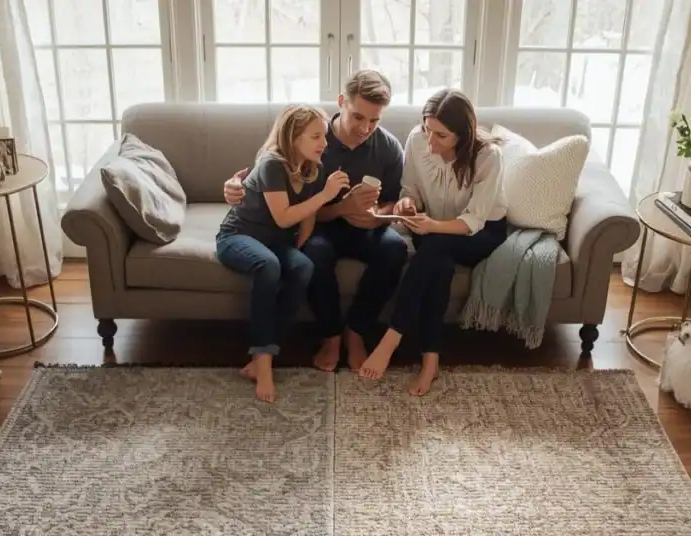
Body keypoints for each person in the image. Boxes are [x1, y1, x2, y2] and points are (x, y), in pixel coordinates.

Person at [223, 70, 409, 373]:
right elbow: (267, 182)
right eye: (359, 117)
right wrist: (342, 208)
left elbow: (392, 199)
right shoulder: (310, 137)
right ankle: (331, 335)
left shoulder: (388, 146)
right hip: (320, 224)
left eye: (375, 121)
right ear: (341, 102)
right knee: (314, 253)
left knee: (395, 249)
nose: (366, 129)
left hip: (367, 228)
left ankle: (357, 331)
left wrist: (378, 213)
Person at [357, 88, 509, 397]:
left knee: (436, 247)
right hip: (430, 226)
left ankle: (391, 338)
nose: (430, 141)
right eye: (427, 130)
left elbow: (475, 221)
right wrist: (407, 205)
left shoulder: (488, 157)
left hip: (479, 232)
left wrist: (433, 226)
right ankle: (430, 360)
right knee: (437, 261)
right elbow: (409, 188)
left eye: (441, 135)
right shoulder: (416, 140)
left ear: (463, 134)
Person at [216, 104, 351, 402]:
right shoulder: (272, 164)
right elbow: (284, 217)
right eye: (316, 137)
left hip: (276, 242)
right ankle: (263, 362)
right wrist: (326, 195)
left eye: (325, 136)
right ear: (293, 138)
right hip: (238, 236)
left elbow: (308, 217)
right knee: (268, 265)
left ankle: (263, 355)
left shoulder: (314, 168)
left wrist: (297, 249)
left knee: (302, 266)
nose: (325, 143)